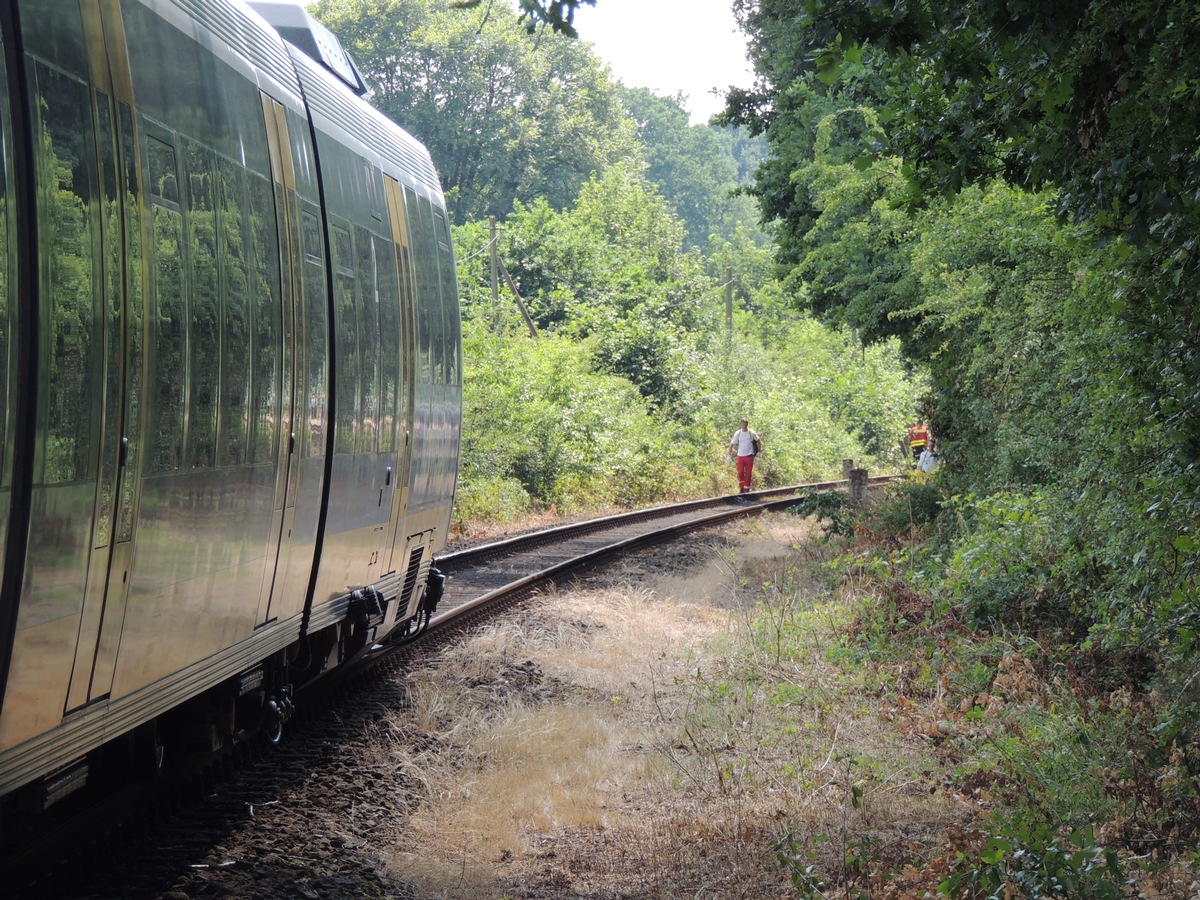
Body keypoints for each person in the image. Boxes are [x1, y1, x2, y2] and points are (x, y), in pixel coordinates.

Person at [728, 418, 761, 494]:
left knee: (748, 473)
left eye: (745, 424)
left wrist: (759, 451)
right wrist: (729, 455)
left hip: (749, 456)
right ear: (741, 424)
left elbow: (758, 440)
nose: (744, 425)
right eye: (743, 424)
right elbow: (732, 444)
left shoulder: (751, 433)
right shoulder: (738, 433)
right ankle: (742, 487)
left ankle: (746, 491)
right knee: (740, 472)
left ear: (747, 424)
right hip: (740, 456)